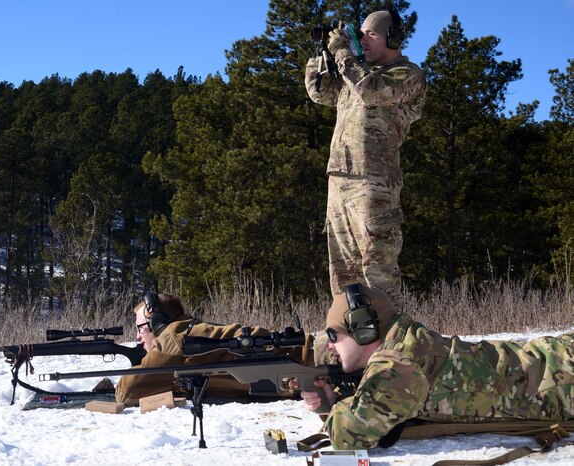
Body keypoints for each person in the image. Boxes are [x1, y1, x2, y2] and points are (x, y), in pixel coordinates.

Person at [299, 282, 574, 450]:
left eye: (333, 334)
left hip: (563, 380)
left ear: (364, 329)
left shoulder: (398, 366)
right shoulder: (406, 342)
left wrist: (333, 407)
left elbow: (348, 436)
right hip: (554, 361)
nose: (331, 345)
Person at [304, 10, 426, 308]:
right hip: (340, 180)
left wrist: (344, 53)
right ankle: (352, 345)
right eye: (362, 34)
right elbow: (319, 92)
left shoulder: (406, 74)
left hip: (375, 183)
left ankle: (394, 342)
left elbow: (370, 93)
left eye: (371, 34)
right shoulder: (356, 74)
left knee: (378, 270)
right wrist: (322, 53)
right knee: (344, 275)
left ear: (393, 38)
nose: (364, 40)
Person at [114, 292, 335, 405]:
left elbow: (127, 392)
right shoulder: (187, 331)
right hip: (316, 361)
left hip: (322, 355)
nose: (137, 336)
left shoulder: (173, 337)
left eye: (141, 328)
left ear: (157, 323)